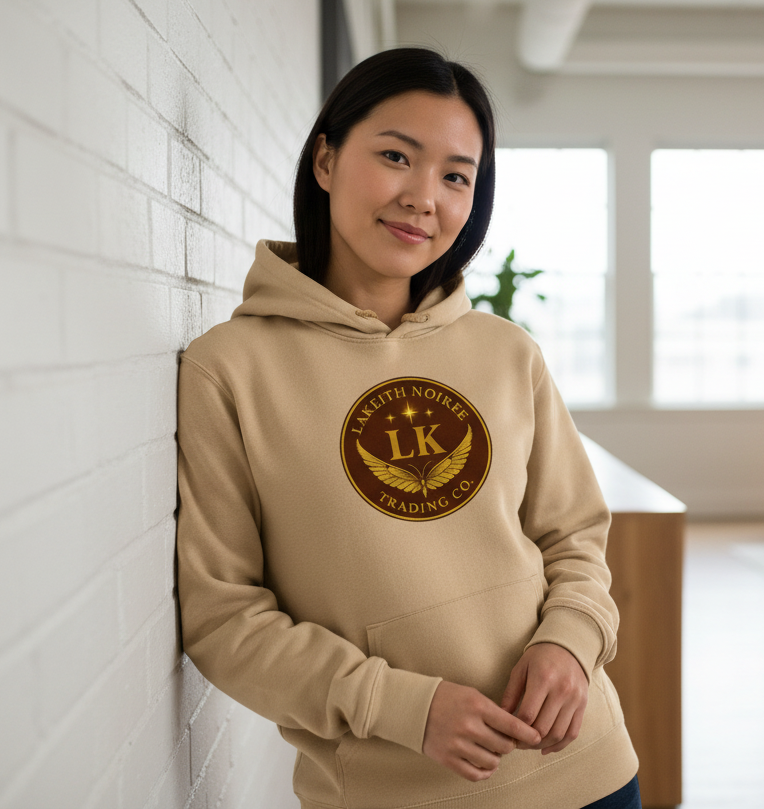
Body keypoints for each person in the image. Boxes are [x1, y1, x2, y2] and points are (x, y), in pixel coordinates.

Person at [175, 47, 640, 809]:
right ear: (325, 160)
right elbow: (224, 618)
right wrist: (399, 706)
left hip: (586, 773)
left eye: (457, 176)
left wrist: (571, 639)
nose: (424, 198)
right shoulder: (229, 369)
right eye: (396, 156)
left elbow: (575, 537)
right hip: (388, 792)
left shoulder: (507, 353)